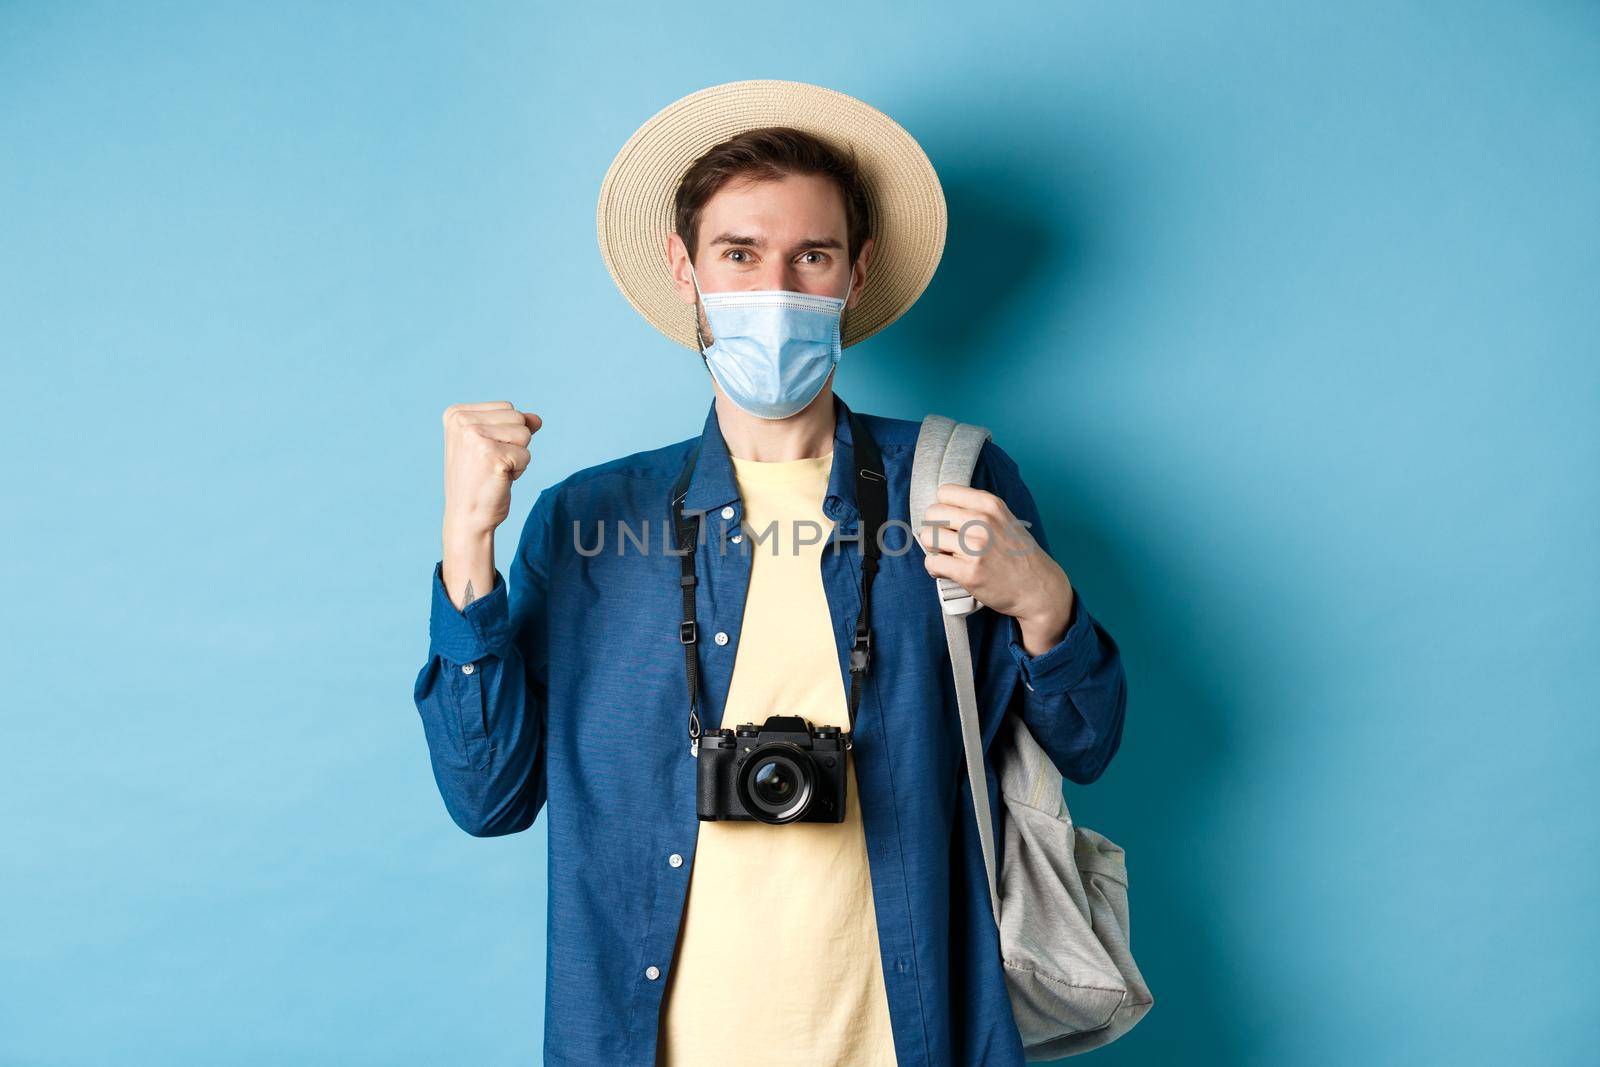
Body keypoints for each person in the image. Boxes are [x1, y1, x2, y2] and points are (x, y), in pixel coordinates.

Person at [413, 79, 1127, 1067]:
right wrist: (466, 543)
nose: (774, 288)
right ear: (685, 267)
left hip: (905, 1036)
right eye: (739, 254)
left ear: (855, 272)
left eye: (811, 257)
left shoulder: (953, 481)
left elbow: (1085, 744)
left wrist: (1047, 605)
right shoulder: (587, 518)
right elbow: (486, 793)